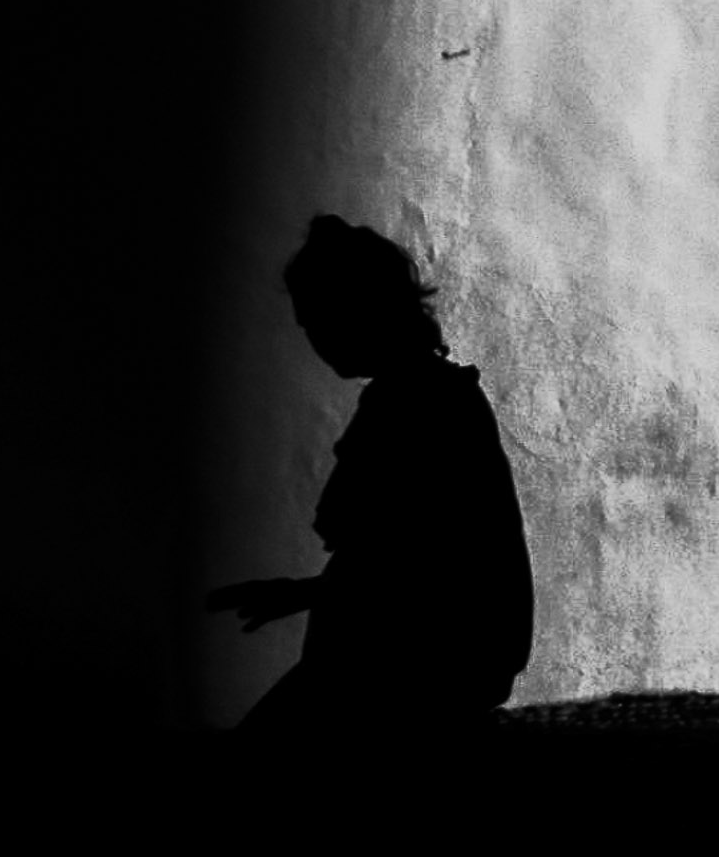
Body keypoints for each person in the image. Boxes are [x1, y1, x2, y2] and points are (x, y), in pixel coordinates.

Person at [207, 215, 536, 746]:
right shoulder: (433, 395)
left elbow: (409, 559)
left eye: (316, 319)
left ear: (357, 311)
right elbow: (412, 556)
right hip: (418, 669)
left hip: (399, 675)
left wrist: (318, 592)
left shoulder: (413, 405)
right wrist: (308, 592)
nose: (313, 339)